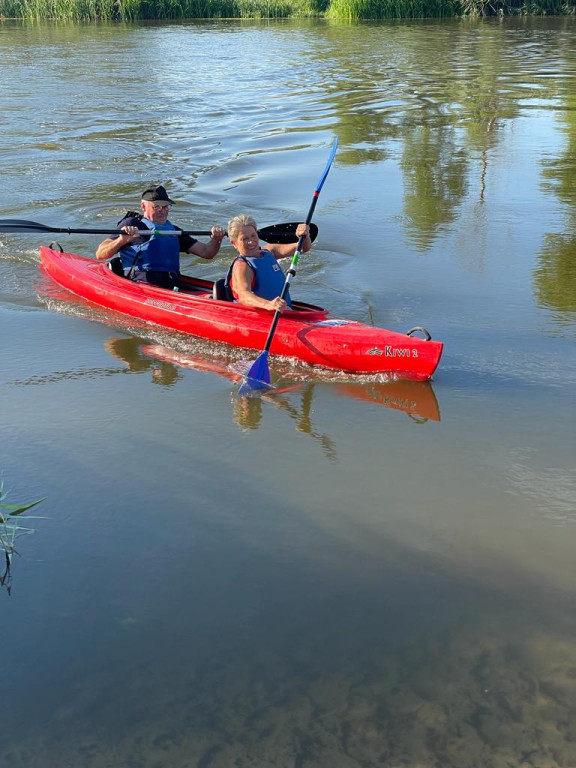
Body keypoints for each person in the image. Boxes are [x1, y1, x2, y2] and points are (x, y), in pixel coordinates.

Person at [95, 184, 226, 290]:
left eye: (165, 206)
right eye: (156, 206)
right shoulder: (131, 224)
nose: (162, 211)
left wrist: (216, 239)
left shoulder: (174, 231)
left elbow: (207, 252)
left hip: (170, 285)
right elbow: (100, 254)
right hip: (139, 285)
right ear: (143, 206)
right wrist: (121, 240)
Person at [225, 214, 311, 312]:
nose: (251, 242)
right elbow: (243, 296)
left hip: (285, 312)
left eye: (253, 236)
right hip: (264, 315)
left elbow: (303, 248)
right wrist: (269, 305)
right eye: (245, 239)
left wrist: (305, 236)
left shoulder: (269, 251)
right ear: (234, 243)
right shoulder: (242, 266)